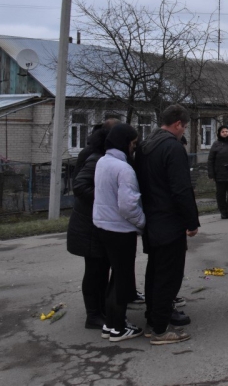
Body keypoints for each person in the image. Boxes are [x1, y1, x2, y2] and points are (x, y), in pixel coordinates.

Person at [135, 105, 199, 345]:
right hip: (169, 221)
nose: (184, 132)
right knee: (168, 277)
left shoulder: (146, 144)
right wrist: (191, 221)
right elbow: (181, 189)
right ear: (178, 124)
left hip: (152, 219)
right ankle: (160, 330)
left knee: (155, 273)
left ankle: (153, 320)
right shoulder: (172, 147)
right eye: (185, 127)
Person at [93, 124, 145, 341]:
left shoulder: (103, 161)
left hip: (103, 226)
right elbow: (127, 205)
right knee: (122, 278)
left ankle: (111, 324)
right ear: (125, 143)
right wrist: (142, 222)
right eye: (133, 143)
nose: (134, 148)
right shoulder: (124, 169)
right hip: (120, 229)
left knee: (115, 278)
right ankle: (118, 328)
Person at [69, 123, 116, 330]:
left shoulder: (102, 159)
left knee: (101, 269)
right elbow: (79, 186)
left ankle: (100, 309)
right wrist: (103, 199)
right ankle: (93, 315)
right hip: (88, 225)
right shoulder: (95, 159)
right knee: (94, 271)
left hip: (95, 224)